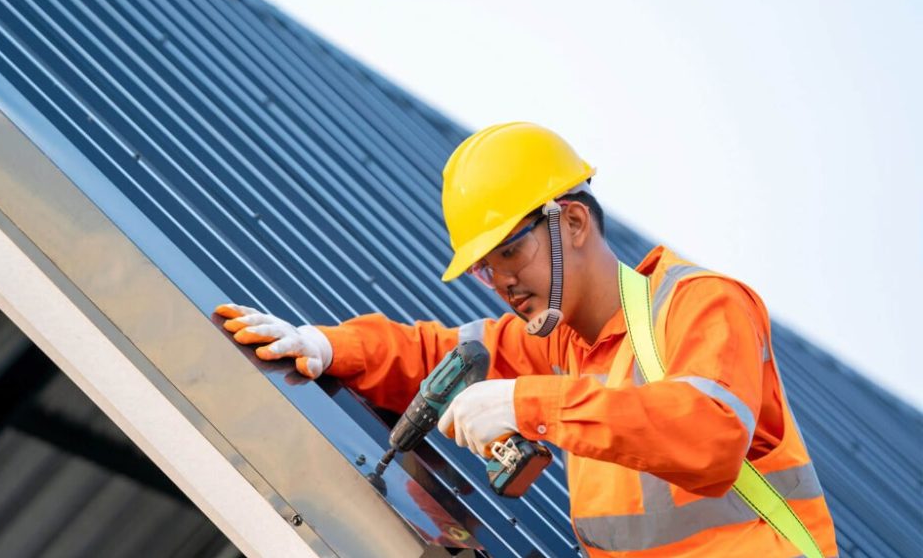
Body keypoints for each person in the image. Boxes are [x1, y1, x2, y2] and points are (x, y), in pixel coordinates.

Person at [216, 122, 838, 556]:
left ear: (571, 221)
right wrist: (326, 347)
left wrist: (526, 404)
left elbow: (707, 434)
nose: (502, 282)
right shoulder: (561, 342)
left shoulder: (699, 303)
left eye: (510, 251)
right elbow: (439, 355)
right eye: (487, 268)